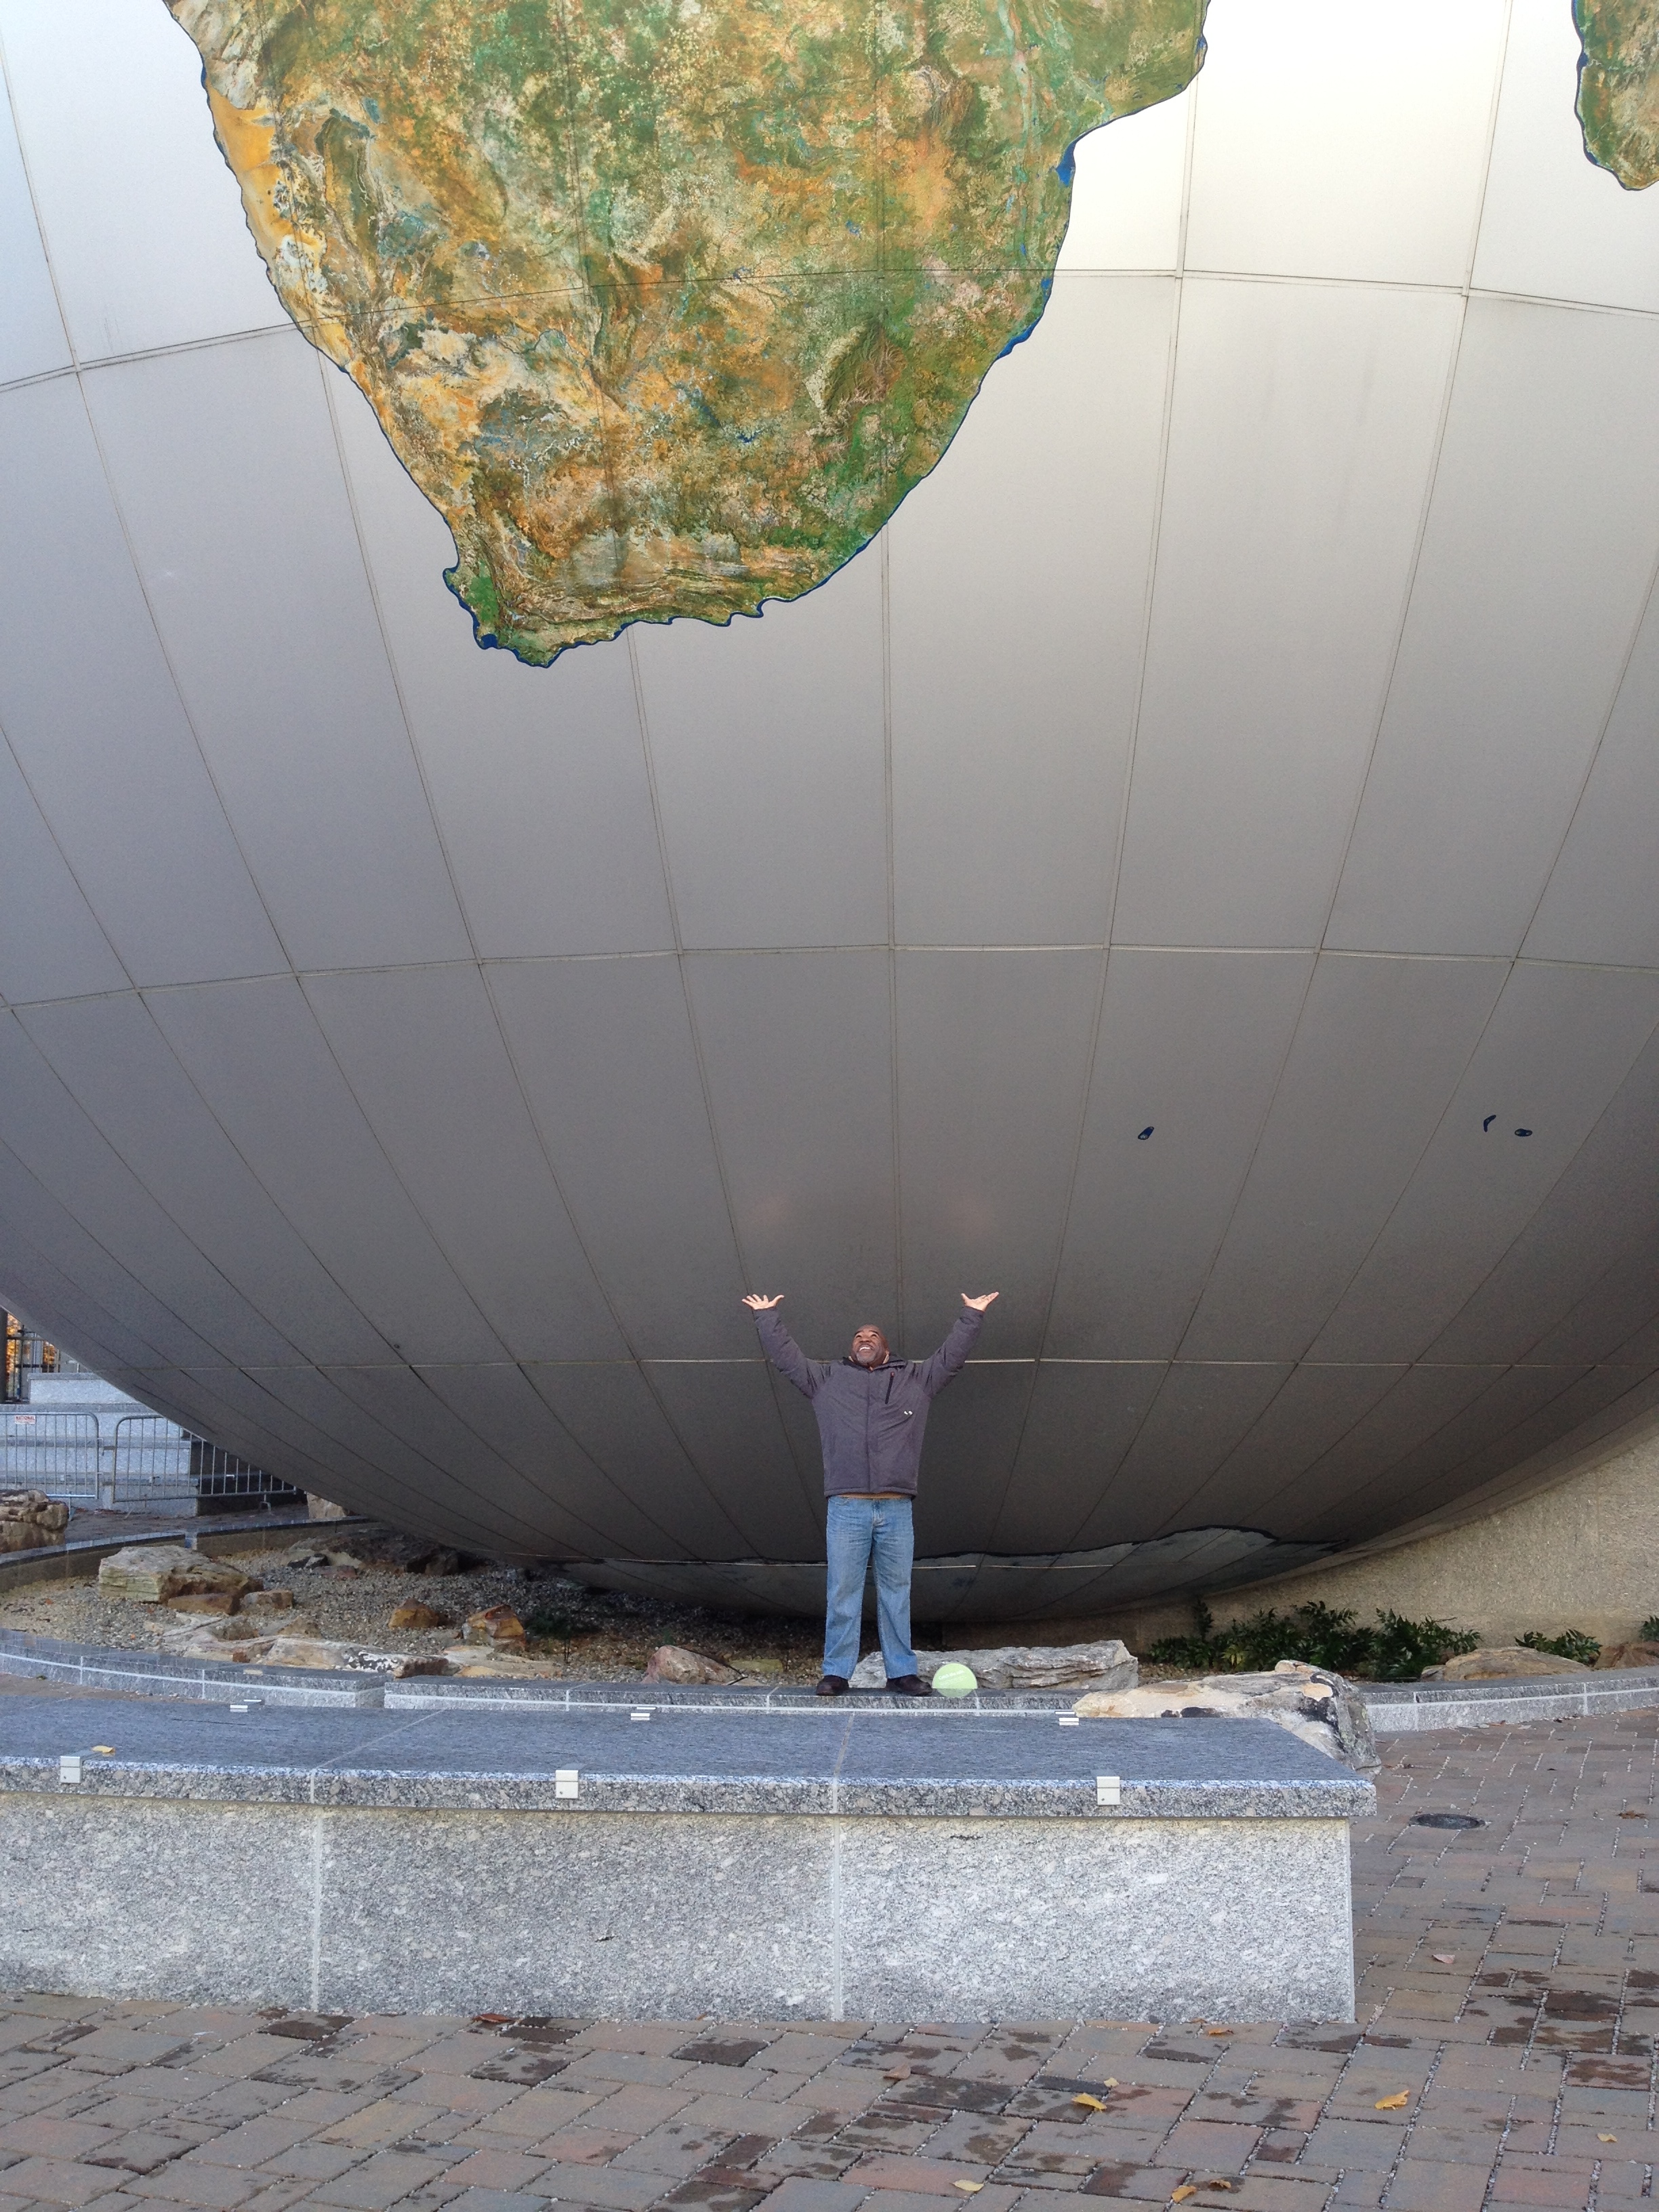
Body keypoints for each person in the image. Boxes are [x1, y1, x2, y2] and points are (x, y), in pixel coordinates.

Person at [743, 1290, 1000, 1697]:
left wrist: (972, 1315)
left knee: (897, 1593)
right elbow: (788, 1359)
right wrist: (766, 1317)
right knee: (843, 1591)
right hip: (847, 1507)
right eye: (859, 1336)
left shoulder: (915, 1380)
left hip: (896, 1508)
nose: (865, 1338)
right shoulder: (826, 1380)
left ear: (886, 1348)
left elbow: (950, 1358)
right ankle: (836, 1673)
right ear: (852, 1348)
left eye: (873, 1335)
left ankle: (901, 1673)